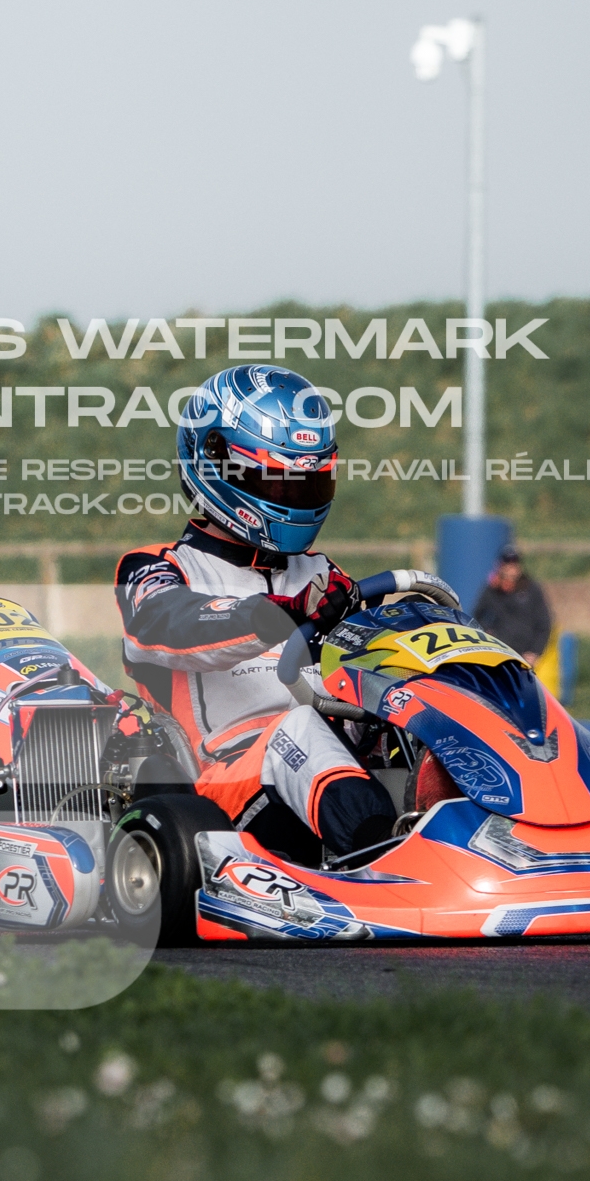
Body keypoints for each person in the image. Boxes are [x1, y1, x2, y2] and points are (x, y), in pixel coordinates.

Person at [113, 365, 391, 861]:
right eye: (277, 482)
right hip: (226, 786)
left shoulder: (322, 572)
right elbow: (162, 622)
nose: (293, 498)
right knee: (298, 729)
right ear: (217, 464)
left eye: (306, 484)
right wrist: (277, 614)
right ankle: (384, 859)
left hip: (336, 773)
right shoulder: (160, 567)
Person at [473, 543, 553, 660]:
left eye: (515, 562)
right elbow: (477, 614)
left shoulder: (530, 589)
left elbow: (544, 624)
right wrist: (487, 632)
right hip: (499, 651)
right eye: (507, 562)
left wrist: (534, 652)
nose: (511, 566)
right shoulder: (492, 589)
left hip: (524, 654)